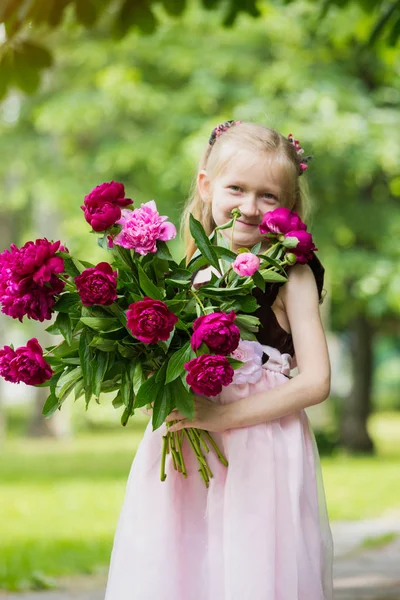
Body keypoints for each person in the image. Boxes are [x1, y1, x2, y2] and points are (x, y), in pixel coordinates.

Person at [104, 121, 334, 600]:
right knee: (181, 558)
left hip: (258, 445)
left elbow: (316, 381)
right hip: (187, 441)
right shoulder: (185, 269)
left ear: (288, 205)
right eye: (237, 188)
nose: (250, 207)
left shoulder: (290, 274)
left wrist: (219, 416)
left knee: (250, 562)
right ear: (206, 186)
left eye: (268, 195)